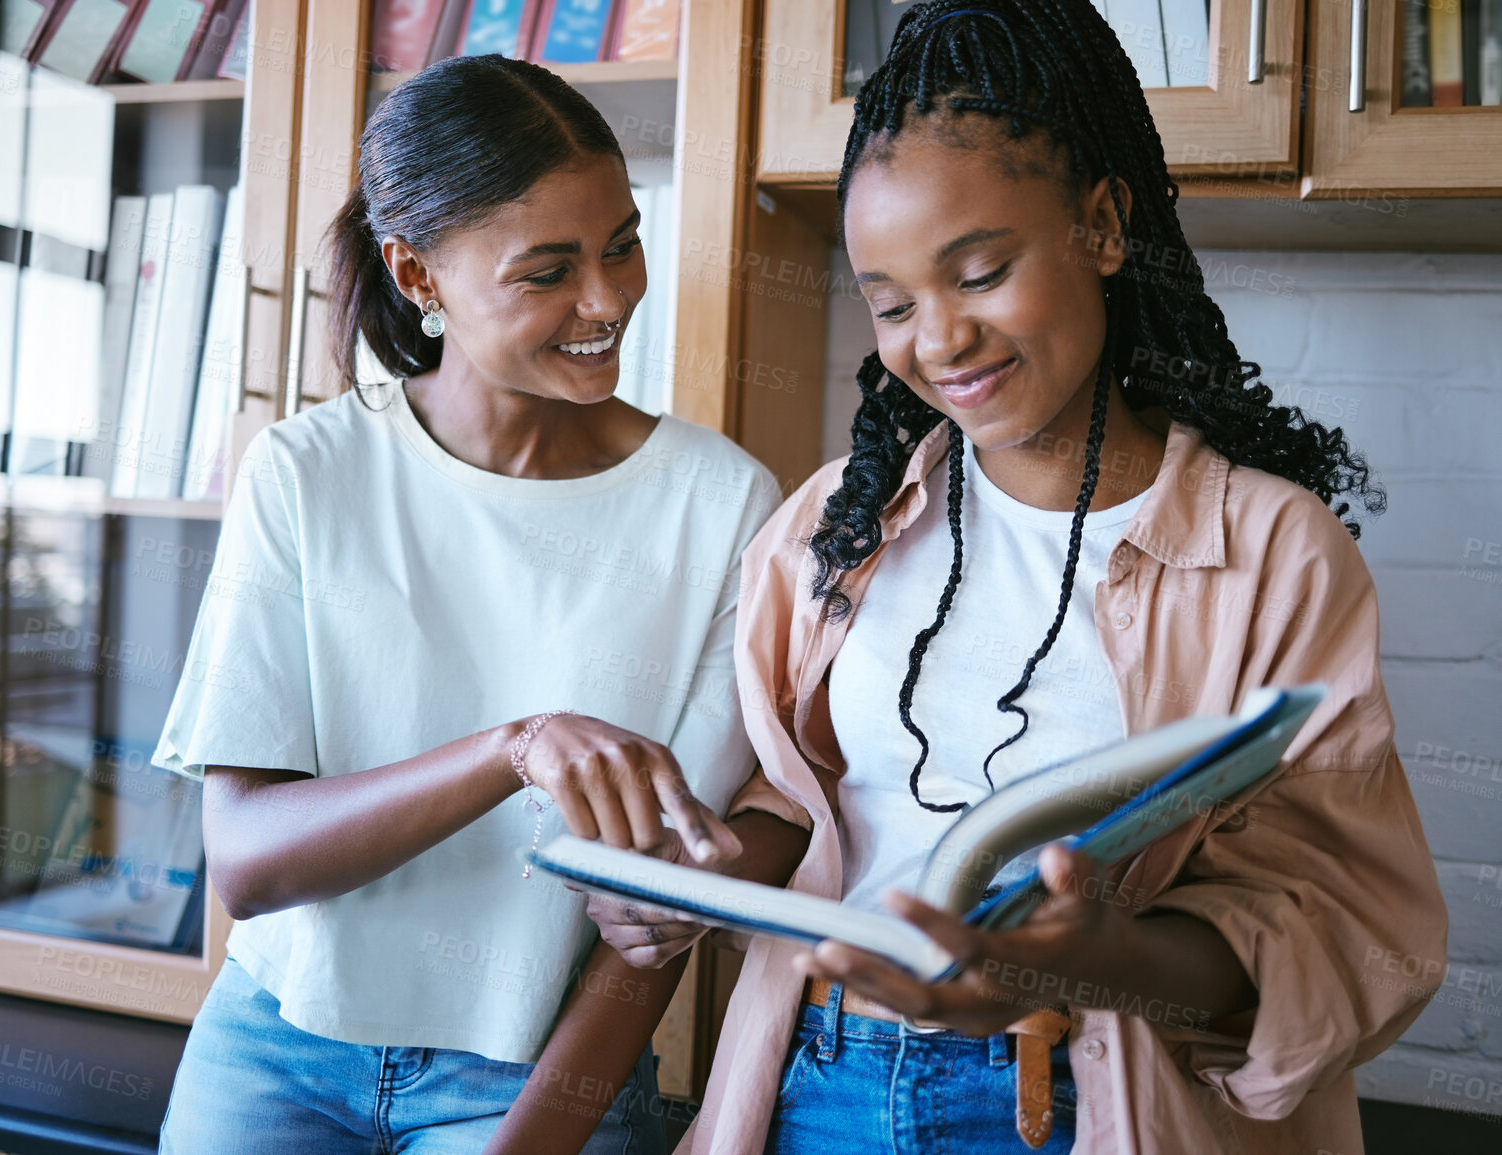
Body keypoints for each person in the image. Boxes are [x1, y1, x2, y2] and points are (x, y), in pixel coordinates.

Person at [584, 3, 1447, 1152]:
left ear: (1100, 226)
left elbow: (1343, 928)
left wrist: (1104, 956)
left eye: (979, 273)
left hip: (1088, 1101)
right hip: (821, 1085)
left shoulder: (1275, 553)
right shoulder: (833, 527)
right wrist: (681, 882)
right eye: (891, 304)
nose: (937, 340)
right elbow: (802, 805)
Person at [151, 54, 780, 1155]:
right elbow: (248, 860)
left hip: (534, 1072)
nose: (608, 300)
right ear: (417, 273)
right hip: (272, 1052)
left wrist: (534, 1136)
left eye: (622, 246)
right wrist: (514, 749)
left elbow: (651, 930)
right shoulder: (308, 471)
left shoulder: (721, 505)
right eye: (548, 271)